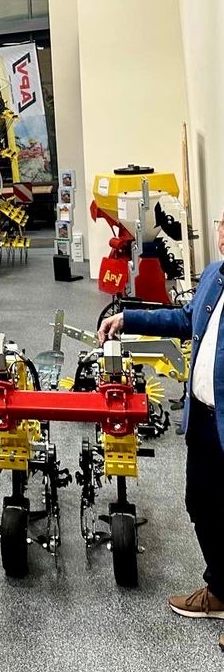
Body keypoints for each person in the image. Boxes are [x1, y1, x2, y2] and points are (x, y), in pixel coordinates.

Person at [99, 212, 224, 621]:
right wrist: (129, 318)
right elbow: (185, 319)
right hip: (204, 420)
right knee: (201, 503)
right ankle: (220, 589)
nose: (223, 233)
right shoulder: (214, 275)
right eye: (223, 224)